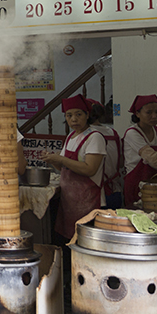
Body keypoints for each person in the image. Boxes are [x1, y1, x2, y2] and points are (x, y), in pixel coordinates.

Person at [43, 94, 106, 240]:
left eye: (78, 114)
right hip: (69, 202)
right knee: (69, 242)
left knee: (85, 242)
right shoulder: (71, 136)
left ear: (87, 114)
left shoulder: (94, 137)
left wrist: (60, 158)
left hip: (89, 201)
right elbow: (63, 169)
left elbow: (90, 169)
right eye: (69, 115)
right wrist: (52, 160)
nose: (74, 119)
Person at [122, 94, 157, 208]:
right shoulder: (132, 133)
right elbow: (154, 160)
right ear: (137, 114)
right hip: (136, 185)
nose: (154, 116)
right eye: (149, 112)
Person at [88, 98, 125, 209]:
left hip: (95, 192)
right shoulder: (113, 132)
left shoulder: (86, 134)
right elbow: (121, 163)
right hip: (115, 190)